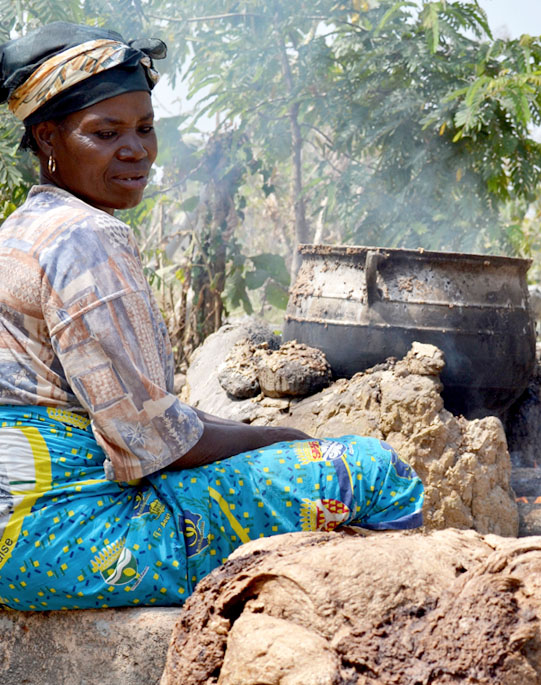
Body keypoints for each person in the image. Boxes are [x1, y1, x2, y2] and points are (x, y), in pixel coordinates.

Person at [0, 22, 423, 611]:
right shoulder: (87, 237)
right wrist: (281, 437)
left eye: (145, 128)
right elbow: (151, 443)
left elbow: (128, 407)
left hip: (15, 523)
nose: (136, 149)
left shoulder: (21, 230)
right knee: (372, 473)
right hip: (58, 535)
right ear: (49, 138)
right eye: (106, 132)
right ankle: (378, 649)